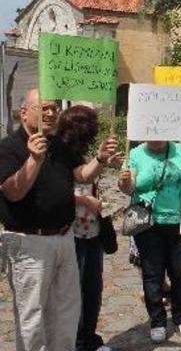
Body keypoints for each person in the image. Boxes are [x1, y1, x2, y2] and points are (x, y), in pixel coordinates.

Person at [0, 89, 118, 351]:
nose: (52, 113)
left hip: (65, 237)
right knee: (32, 316)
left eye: (54, 108)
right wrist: (34, 159)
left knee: (66, 311)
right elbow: (13, 192)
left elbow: (82, 175)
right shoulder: (8, 148)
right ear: (24, 113)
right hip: (30, 243)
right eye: (44, 108)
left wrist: (100, 158)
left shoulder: (58, 145)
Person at [118, 139, 181, 343]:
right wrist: (124, 181)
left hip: (179, 223)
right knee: (152, 274)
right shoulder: (135, 154)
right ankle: (157, 321)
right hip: (148, 224)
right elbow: (129, 188)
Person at [58, 105, 123, 351]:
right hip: (72, 233)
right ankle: (76, 342)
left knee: (93, 289)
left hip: (93, 231)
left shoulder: (83, 153)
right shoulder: (58, 153)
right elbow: (58, 190)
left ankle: (89, 339)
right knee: (74, 292)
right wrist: (85, 201)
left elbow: (88, 176)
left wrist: (105, 161)